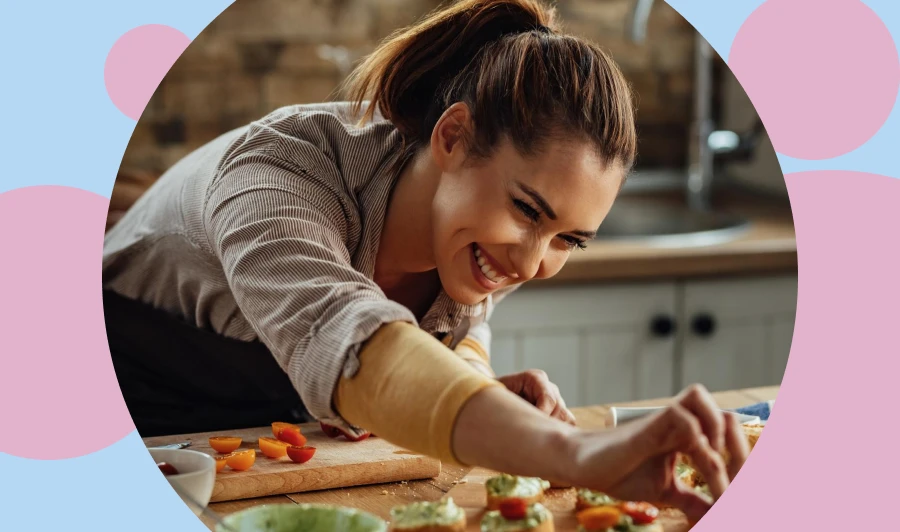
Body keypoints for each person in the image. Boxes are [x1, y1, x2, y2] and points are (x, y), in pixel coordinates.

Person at [102, 0, 748, 520]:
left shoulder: (474, 227)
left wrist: (475, 385)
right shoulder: (282, 167)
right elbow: (343, 330)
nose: (530, 262)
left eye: (568, 240)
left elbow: (453, 330)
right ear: (453, 137)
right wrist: (574, 452)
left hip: (267, 455)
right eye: (528, 211)